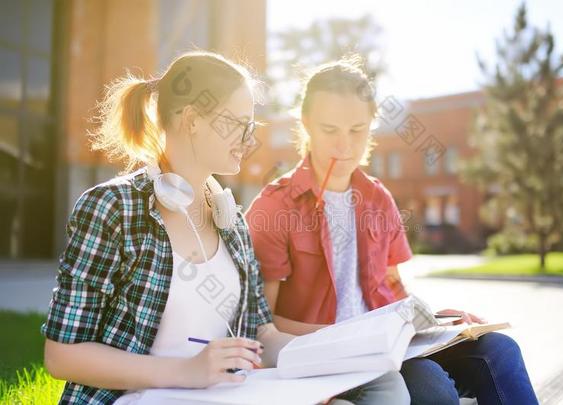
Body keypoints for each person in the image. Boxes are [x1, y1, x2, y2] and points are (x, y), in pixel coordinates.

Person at [41, 50, 408, 405]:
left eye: (251, 127)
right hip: (139, 397)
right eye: (237, 124)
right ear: (192, 120)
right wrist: (185, 371)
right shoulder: (112, 207)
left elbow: (262, 334)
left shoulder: (228, 218)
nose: (249, 140)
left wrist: (348, 350)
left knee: (386, 388)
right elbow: (62, 357)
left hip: (229, 394)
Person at [246, 56, 539, 405]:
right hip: (332, 356)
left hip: (391, 345)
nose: (344, 145)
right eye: (330, 130)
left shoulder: (378, 198)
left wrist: (439, 321)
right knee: (434, 389)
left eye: (357, 130)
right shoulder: (275, 206)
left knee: (500, 350)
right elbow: (261, 324)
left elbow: (393, 290)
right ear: (306, 123)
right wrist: (348, 336)